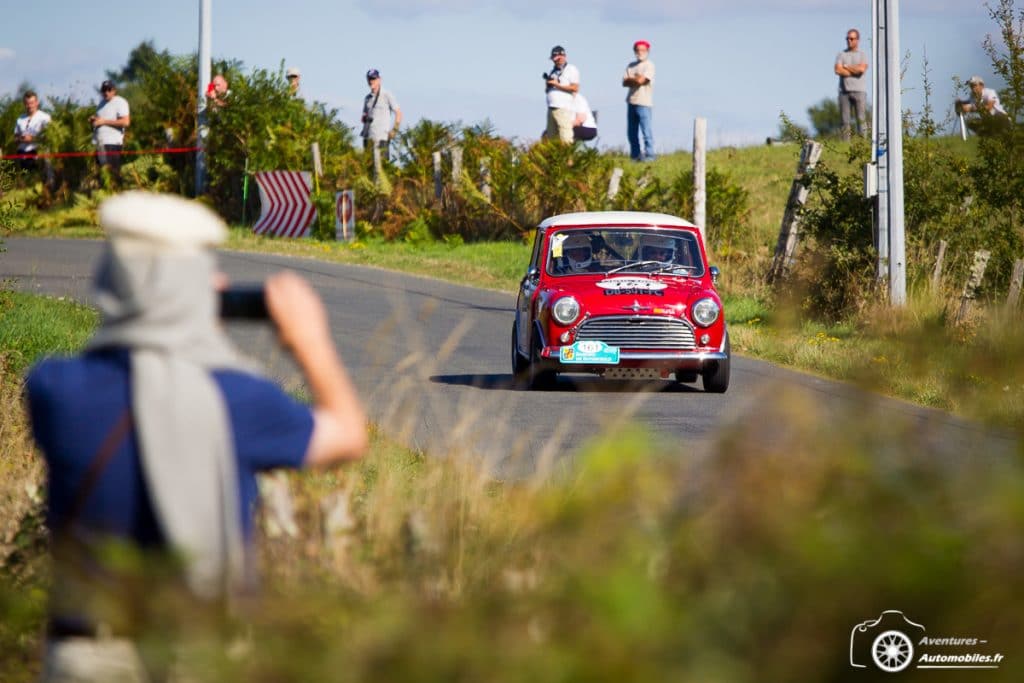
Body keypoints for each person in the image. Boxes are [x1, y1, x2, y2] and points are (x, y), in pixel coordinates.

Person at [26, 191, 368, 681]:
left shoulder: (54, 389)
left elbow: (123, 362)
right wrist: (308, 339)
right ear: (189, 290)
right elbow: (348, 434)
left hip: (83, 657)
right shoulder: (236, 399)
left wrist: (160, 319)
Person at [622, 40, 656, 161]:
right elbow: (624, 82)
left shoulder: (649, 65)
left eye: (642, 50)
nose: (639, 52)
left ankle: (650, 155)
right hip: (631, 101)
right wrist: (635, 79)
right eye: (637, 50)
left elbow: (642, 81)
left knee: (646, 131)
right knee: (632, 132)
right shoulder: (631, 65)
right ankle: (635, 155)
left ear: (647, 51)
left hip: (644, 102)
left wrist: (633, 79)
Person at [90, 80, 130, 178]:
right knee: (101, 176)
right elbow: (101, 121)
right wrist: (95, 120)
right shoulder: (101, 104)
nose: (106, 92)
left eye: (109, 90)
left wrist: (104, 121)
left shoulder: (120, 102)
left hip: (112, 144)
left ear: (114, 91)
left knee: (113, 175)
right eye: (104, 90)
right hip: (99, 144)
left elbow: (125, 122)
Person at [835, 29, 869, 140]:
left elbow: (861, 70)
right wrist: (853, 69)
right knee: (845, 120)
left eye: (852, 38)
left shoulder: (862, 55)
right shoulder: (841, 54)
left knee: (861, 118)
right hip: (844, 91)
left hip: (860, 91)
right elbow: (838, 70)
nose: (849, 40)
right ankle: (845, 144)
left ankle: (862, 142)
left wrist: (847, 66)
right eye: (847, 38)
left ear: (857, 40)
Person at [360, 68, 402, 158]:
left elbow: (398, 113)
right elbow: (364, 116)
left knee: (383, 168)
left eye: (374, 79)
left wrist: (394, 130)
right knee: (368, 169)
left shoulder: (386, 95)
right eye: (370, 79)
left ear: (379, 79)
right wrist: (365, 119)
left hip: (382, 138)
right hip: (368, 138)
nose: (371, 81)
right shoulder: (367, 98)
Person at [544, 46, 580, 144]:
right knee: (552, 139)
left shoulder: (571, 69)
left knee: (565, 137)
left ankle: (568, 159)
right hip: (551, 108)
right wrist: (548, 86)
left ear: (563, 57)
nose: (556, 61)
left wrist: (557, 84)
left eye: (558, 59)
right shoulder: (553, 71)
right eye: (554, 59)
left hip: (563, 108)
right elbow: (548, 91)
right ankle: (555, 159)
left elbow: (575, 88)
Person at [13, 90, 52, 172]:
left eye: (32, 103)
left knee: (38, 179)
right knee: (25, 180)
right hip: (21, 154)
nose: (30, 106)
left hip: (38, 154)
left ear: (37, 102)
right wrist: (21, 139)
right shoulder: (20, 119)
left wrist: (32, 139)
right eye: (27, 103)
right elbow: (15, 138)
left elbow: (49, 138)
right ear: (24, 104)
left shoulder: (45, 118)